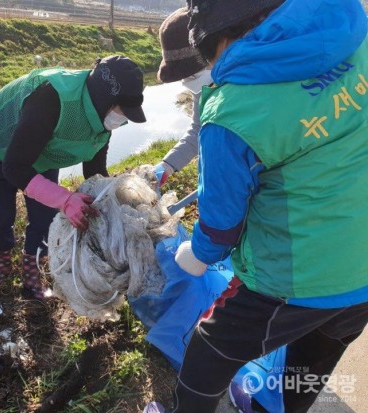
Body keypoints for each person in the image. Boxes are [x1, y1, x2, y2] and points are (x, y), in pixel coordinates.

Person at [148, 0, 368, 412]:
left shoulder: (235, 106)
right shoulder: (354, 34)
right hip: (362, 269)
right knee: (315, 355)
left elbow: (221, 224)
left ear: (226, 37)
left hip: (299, 276)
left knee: (206, 355)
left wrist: (196, 254)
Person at [0, 55, 146, 299]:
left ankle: (31, 274)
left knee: (44, 216)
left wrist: (111, 202)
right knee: (1, 210)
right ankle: (2, 268)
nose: (122, 118)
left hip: (43, 149)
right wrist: (66, 200)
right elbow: (14, 168)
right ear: (103, 98)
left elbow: (95, 170)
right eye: (121, 110)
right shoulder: (51, 99)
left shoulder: (102, 117)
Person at [153, 7, 212, 188]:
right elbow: (197, 130)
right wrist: (167, 165)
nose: (187, 82)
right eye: (183, 76)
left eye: (191, 74)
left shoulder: (253, 82)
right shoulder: (205, 88)